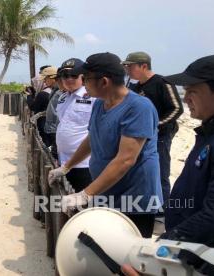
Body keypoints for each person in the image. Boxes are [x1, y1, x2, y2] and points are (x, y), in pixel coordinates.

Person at [122, 54, 214, 275]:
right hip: (193, 252)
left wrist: (161, 245)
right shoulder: (212, 133)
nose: (186, 99)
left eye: (192, 91)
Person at [48, 53, 163, 238]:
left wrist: (85, 194)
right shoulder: (100, 104)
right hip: (106, 190)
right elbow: (92, 139)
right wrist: (66, 167)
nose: (83, 83)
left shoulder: (139, 107)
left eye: (86, 79)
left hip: (134, 197)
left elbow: (126, 159)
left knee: (128, 253)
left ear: (104, 82)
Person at [123, 52, 184, 208]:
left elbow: (177, 108)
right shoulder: (135, 87)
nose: (127, 70)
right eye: (126, 67)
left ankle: (163, 211)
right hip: (141, 137)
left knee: (161, 173)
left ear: (143, 66)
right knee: (142, 172)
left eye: (130, 66)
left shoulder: (163, 82)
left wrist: (156, 125)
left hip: (161, 136)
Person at [54, 58, 95, 192]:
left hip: (84, 163)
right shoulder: (63, 97)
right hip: (63, 161)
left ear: (83, 76)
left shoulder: (92, 97)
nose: (69, 79)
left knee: (84, 205)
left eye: (74, 75)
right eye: (65, 75)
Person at [26, 66, 57, 145]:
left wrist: (29, 96)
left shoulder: (43, 94)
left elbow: (33, 107)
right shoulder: (57, 92)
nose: (44, 81)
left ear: (53, 78)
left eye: (45, 79)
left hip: (46, 125)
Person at [44, 68, 66, 160]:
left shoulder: (61, 92)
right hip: (52, 128)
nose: (44, 81)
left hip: (56, 129)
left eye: (46, 78)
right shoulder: (55, 90)